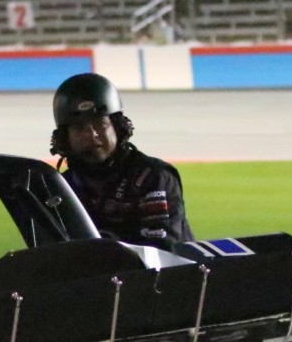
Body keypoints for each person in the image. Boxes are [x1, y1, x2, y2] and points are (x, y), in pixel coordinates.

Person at [49, 73, 192, 249]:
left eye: (100, 124)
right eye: (79, 128)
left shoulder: (153, 177)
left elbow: (163, 248)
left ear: (118, 127)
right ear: (65, 138)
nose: (92, 134)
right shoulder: (62, 188)